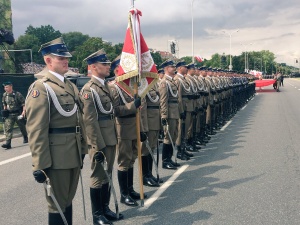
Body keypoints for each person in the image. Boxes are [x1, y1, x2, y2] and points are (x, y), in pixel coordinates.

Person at [25, 37, 87, 225]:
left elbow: (79, 120)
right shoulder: (41, 88)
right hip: (57, 157)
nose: (66, 61)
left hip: (73, 152)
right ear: (48, 60)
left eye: (66, 57)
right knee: (57, 204)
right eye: (60, 58)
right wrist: (40, 164)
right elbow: (37, 129)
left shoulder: (69, 85)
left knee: (67, 201)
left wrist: (83, 148)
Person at [80, 50, 123, 225]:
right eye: (104, 64)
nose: (108, 67)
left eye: (107, 64)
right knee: (98, 176)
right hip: (100, 141)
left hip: (110, 137)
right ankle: (97, 214)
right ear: (93, 67)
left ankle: (105, 209)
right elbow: (89, 122)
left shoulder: (104, 86)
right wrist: (96, 147)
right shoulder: (88, 90)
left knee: (107, 174)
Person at [109, 55, 147, 207]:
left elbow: (139, 110)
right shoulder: (114, 87)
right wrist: (132, 105)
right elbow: (115, 110)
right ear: (118, 70)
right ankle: (124, 194)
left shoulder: (131, 87)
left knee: (131, 160)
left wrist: (142, 129)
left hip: (134, 125)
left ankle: (130, 190)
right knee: (124, 162)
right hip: (123, 128)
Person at [159, 59, 180, 170]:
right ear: (166, 69)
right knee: (168, 137)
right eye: (172, 67)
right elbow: (163, 100)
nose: (174, 68)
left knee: (174, 135)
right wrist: (164, 116)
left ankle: (170, 158)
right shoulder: (164, 82)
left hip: (175, 111)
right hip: (170, 114)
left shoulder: (172, 81)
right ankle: (165, 161)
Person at [1, 81, 27, 149]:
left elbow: (23, 103)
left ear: (11, 86)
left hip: (17, 113)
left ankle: (25, 137)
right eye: (4, 87)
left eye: (6, 87)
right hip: (9, 114)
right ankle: (8, 143)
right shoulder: (4, 95)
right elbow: (5, 104)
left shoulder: (17, 94)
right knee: (8, 129)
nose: (5, 88)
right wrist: (5, 112)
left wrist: (23, 112)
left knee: (22, 127)